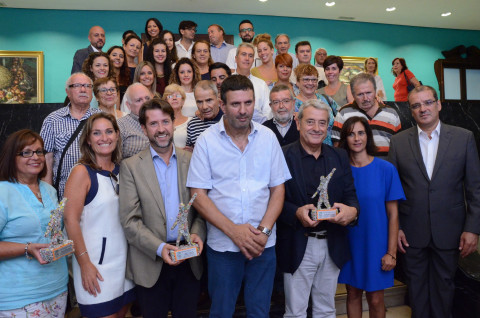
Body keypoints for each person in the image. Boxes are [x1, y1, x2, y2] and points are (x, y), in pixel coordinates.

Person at [187, 75, 291, 317]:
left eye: (248, 103)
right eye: (235, 104)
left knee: (259, 312)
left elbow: (278, 189)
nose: (243, 111)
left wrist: (263, 232)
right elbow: (198, 195)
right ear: (222, 105)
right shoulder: (206, 141)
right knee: (221, 312)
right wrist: (234, 231)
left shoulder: (268, 138)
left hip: (263, 245)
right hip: (223, 247)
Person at [388, 86, 480, 318]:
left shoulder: (463, 138)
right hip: (411, 232)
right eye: (416, 105)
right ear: (410, 111)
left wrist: (472, 229)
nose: (423, 109)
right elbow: (392, 192)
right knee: (417, 290)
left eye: (427, 102)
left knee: (444, 288)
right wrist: (395, 228)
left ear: (438, 105)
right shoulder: (398, 143)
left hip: (450, 229)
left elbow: (475, 189)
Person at [119, 98, 205, 317]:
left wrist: (196, 233)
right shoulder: (130, 167)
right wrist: (159, 248)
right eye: (153, 124)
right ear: (143, 128)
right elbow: (130, 220)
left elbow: (201, 208)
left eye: (165, 122)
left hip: (188, 259)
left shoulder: (191, 160)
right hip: (150, 261)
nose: (161, 129)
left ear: (173, 123)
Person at [276, 99, 359, 318]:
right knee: (295, 312)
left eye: (322, 123)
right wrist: (295, 212)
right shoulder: (282, 155)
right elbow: (272, 200)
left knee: (326, 310)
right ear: (298, 123)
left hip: (332, 243)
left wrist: (352, 212)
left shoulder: (339, 156)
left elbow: (351, 194)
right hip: (297, 243)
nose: (316, 128)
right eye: (310, 121)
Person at [64, 113, 135, 318]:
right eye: (97, 133)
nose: (104, 138)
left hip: (124, 265)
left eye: (109, 131)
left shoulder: (124, 170)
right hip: (95, 265)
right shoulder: (82, 172)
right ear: (88, 139)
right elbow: (70, 220)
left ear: (117, 135)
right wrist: (84, 264)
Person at [337, 116, 405, 318]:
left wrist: (391, 252)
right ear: (345, 139)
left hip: (377, 244)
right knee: (352, 294)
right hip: (349, 243)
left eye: (361, 133)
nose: (356, 138)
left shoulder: (386, 169)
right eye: (351, 134)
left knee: (376, 299)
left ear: (368, 136)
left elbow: (393, 215)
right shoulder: (340, 172)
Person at [0, 129, 68, 316]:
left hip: (57, 289)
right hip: (19, 297)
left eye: (39, 151)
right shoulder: (3, 192)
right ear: (11, 157)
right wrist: (27, 248)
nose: (35, 157)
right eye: (26, 152)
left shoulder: (49, 190)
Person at [40, 72, 100, 199]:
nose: (83, 89)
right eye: (77, 85)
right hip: (63, 193)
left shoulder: (101, 118)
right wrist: (49, 195)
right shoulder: (52, 120)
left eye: (88, 86)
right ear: (68, 92)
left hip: (98, 190)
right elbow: (47, 160)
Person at [332, 73, 401, 157]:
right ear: (353, 95)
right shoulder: (344, 113)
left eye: (368, 93)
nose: (365, 98)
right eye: (360, 94)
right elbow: (337, 148)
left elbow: (399, 147)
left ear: (375, 91)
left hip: (386, 168)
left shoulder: (391, 113)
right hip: (353, 168)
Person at [294, 64, 338, 145]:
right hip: (304, 152)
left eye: (314, 80)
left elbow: (341, 115)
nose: (310, 83)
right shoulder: (291, 105)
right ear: (297, 82)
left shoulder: (326, 99)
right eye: (306, 79)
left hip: (329, 151)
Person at [233, 43, 272, 123]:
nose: (247, 58)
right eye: (243, 54)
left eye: (250, 56)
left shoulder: (261, 84)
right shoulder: (227, 82)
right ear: (236, 58)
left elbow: (268, 112)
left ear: (253, 60)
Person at [117, 83, 153, 159]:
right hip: (132, 169)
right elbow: (116, 159)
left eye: (147, 98)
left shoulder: (161, 121)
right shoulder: (121, 125)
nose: (145, 103)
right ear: (128, 105)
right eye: (139, 100)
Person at [185, 80, 224, 149]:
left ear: (218, 99)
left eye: (209, 100)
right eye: (199, 102)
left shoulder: (229, 121)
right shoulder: (192, 125)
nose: (204, 107)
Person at [163, 84, 192, 148]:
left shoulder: (191, 121)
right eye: (170, 96)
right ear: (165, 101)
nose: (174, 98)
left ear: (183, 101)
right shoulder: (161, 123)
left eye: (178, 96)